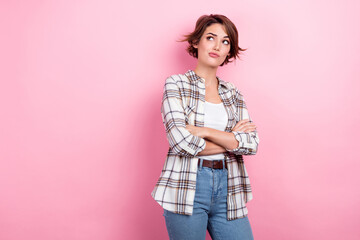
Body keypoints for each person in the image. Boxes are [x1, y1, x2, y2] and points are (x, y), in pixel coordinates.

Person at [151, 14, 260, 240]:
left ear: (229, 51)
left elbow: (251, 144)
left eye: (225, 41)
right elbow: (180, 143)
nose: (217, 46)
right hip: (186, 184)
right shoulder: (176, 84)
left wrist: (204, 131)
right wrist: (232, 139)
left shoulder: (233, 93)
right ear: (196, 42)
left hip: (230, 186)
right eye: (210, 38)